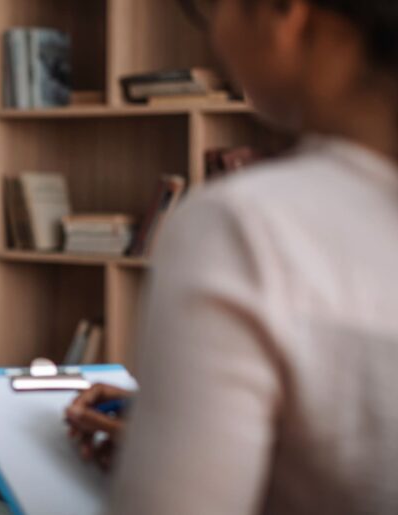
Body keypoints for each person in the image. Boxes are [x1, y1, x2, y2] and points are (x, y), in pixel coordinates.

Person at [65, 0, 398, 513]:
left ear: (283, 13)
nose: (214, 41)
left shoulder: (245, 227)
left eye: (209, 12)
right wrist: (180, 426)